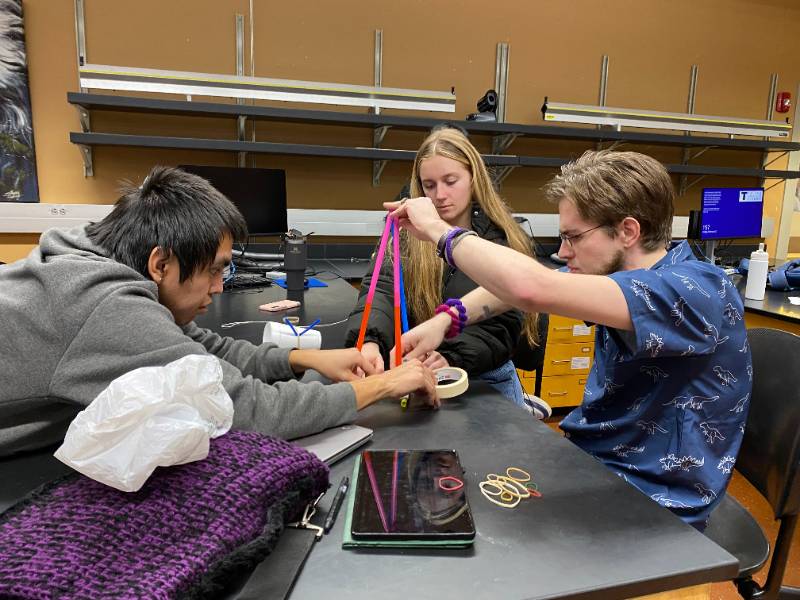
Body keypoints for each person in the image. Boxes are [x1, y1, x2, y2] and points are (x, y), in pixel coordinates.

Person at [386, 150, 751, 530]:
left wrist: (440, 232)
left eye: (573, 237)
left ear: (627, 231)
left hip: (654, 501)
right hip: (596, 462)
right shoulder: (626, 279)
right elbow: (520, 287)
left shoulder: (694, 291)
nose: (563, 251)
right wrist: (447, 319)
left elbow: (531, 286)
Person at [0, 166, 437, 458]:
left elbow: (198, 348)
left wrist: (302, 358)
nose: (217, 287)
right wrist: (383, 385)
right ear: (160, 263)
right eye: (212, 271)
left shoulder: (96, 259)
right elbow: (246, 410)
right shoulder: (103, 306)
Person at [344, 127, 539, 409]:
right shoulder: (405, 236)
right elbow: (382, 290)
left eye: (451, 181)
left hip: (485, 384)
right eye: (429, 185)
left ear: (473, 178)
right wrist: (370, 342)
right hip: (419, 376)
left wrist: (452, 356)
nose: (440, 195)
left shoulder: (501, 239)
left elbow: (502, 326)